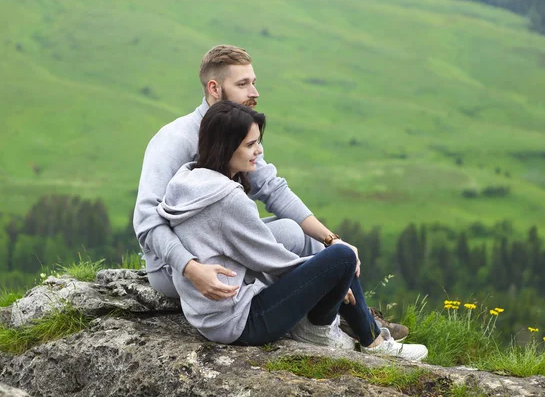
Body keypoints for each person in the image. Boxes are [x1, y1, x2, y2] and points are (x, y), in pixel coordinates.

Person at [133, 44, 408, 340]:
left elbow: (273, 189)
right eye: (243, 84)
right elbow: (147, 220)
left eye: (254, 82)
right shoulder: (174, 139)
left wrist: (331, 238)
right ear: (214, 88)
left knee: (302, 236)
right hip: (175, 269)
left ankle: (360, 323)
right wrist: (190, 268)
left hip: (219, 248)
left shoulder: (237, 131)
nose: (255, 92)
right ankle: (353, 326)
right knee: (322, 262)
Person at [156, 101, 427, 361]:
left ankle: (353, 329)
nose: (259, 151)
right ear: (226, 148)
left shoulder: (187, 179)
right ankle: (368, 341)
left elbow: (254, 250)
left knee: (291, 230)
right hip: (238, 322)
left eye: (258, 142)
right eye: (250, 144)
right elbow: (273, 262)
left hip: (207, 313)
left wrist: (324, 273)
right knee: (342, 256)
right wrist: (332, 278)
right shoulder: (228, 199)